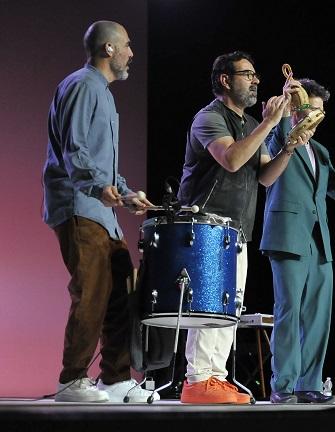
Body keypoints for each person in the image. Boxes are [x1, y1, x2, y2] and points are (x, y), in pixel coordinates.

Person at [176, 51, 312, 404]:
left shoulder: (250, 125)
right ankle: (198, 379)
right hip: (205, 224)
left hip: (235, 229)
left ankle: (214, 378)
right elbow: (233, 160)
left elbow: (265, 176)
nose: (255, 81)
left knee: (228, 306)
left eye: (255, 75)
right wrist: (269, 124)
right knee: (208, 304)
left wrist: (289, 147)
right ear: (225, 79)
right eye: (247, 74)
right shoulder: (209, 118)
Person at [42, 21, 157, 403]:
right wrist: (96, 186)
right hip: (79, 206)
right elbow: (75, 150)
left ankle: (116, 378)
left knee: (121, 289)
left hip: (101, 211)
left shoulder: (103, 93)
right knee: (91, 291)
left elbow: (100, 161)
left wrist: (125, 194)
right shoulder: (82, 85)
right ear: (108, 49)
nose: (131, 54)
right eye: (127, 46)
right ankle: (71, 380)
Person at [260, 78, 335, 404]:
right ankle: (283, 386)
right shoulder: (279, 137)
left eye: (322, 112)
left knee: (318, 316)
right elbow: (276, 142)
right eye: (312, 110)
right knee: (289, 311)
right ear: (297, 111)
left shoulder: (319, 150)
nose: (318, 117)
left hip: (319, 241)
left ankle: (309, 383)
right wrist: (289, 100)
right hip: (288, 236)